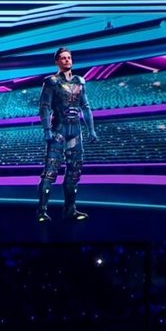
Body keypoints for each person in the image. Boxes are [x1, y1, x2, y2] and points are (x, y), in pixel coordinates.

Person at [36, 47, 98, 223]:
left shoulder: (80, 82)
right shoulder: (51, 82)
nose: (67, 60)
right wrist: (47, 130)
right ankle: (41, 211)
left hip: (75, 131)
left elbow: (85, 107)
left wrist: (91, 129)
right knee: (50, 172)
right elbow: (44, 107)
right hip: (58, 130)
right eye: (63, 58)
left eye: (69, 57)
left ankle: (70, 210)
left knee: (74, 173)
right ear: (57, 61)